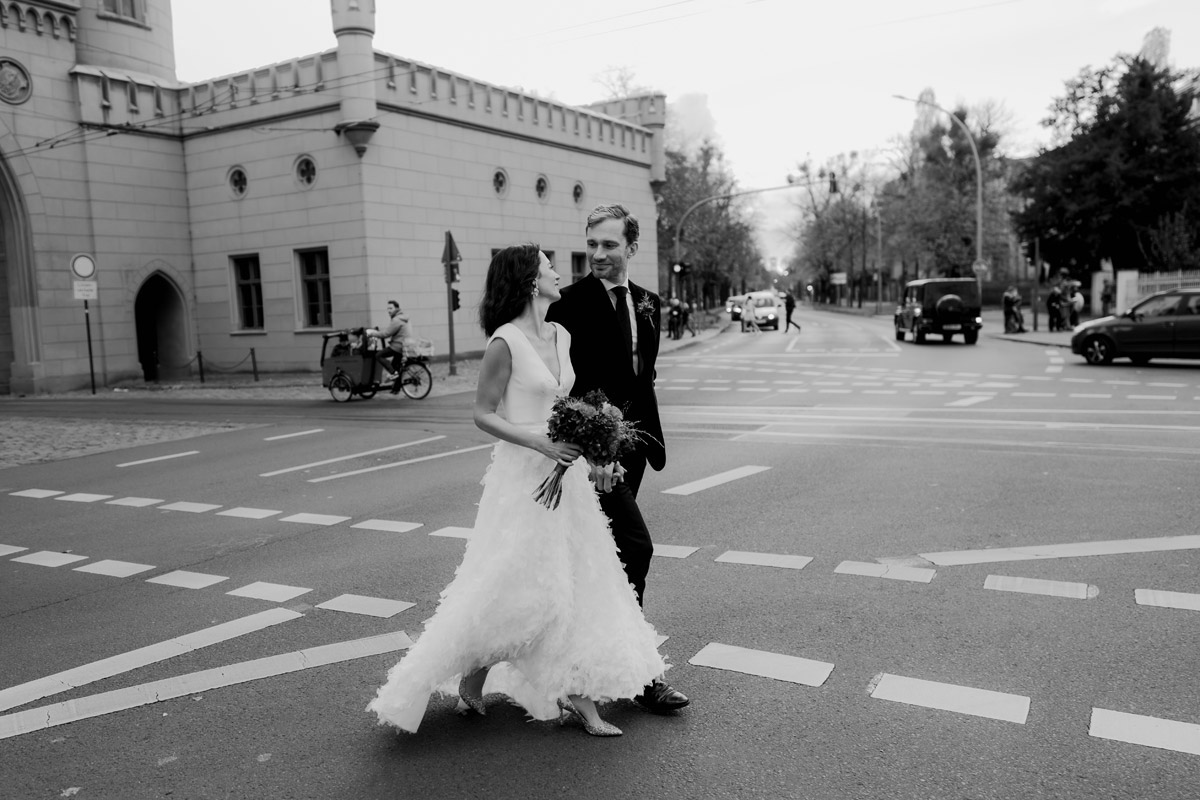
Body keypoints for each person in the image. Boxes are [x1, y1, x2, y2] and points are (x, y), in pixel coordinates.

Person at [367, 244, 666, 738]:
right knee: (517, 586)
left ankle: (578, 695)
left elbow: (566, 402)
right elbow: (483, 412)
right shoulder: (504, 342)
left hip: (565, 478)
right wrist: (537, 440)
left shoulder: (562, 335)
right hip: (522, 478)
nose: (557, 274)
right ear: (531, 281)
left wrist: (593, 445)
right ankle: (475, 672)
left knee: (576, 583)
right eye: (549, 268)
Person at [546, 203, 690, 715]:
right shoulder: (566, 305)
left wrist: (642, 440)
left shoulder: (648, 302)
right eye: (592, 245)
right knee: (634, 549)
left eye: (610, 245)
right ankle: (642, 673)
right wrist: (596, 450)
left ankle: (597, 668)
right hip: (595, 454)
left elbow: (641, 376)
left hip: (636, 448)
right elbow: (570, 387)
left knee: (608, 562)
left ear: (631, 247)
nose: (599, 255)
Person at [364, 300, 411, 394]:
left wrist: (373, 333)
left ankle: (393, 374)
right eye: (387, 309)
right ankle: (396, 388)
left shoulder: (396, 320)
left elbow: (387, 333)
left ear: (397, 308)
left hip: (397, 346)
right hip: (403, 345)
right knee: (395, 366)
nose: (389, 310)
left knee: (378, 355)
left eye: (391, 308)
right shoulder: (402, 318)